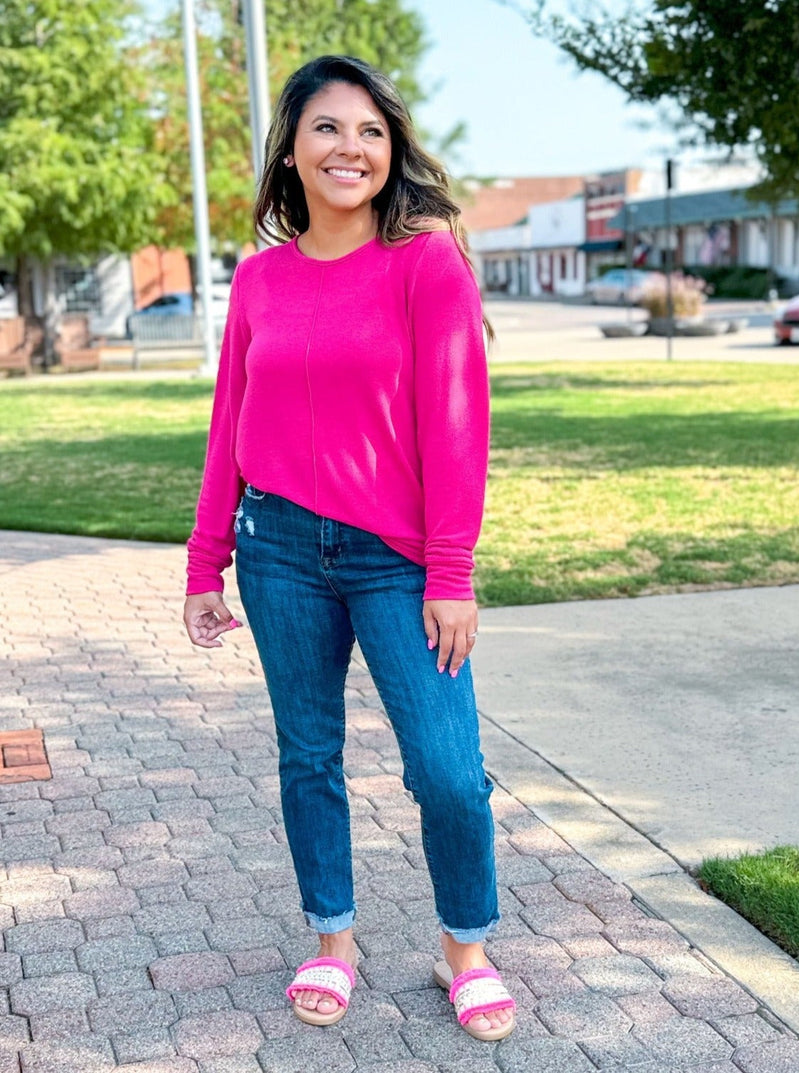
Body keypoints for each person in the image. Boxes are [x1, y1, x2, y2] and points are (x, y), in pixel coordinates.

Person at [183, 54, 515, 1041]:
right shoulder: (258, 280)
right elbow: (227, 421)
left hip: (397, 557)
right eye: (327, 128)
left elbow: (456, 424)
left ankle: (465, 946)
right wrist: (205, 560)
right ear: (291, 149)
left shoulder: (424, 263)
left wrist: (450, 572)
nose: (349, 147)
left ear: (390, 151)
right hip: (277, 546)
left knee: (447, 768)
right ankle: (332, 937)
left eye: (370, 131)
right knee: (308, 756)